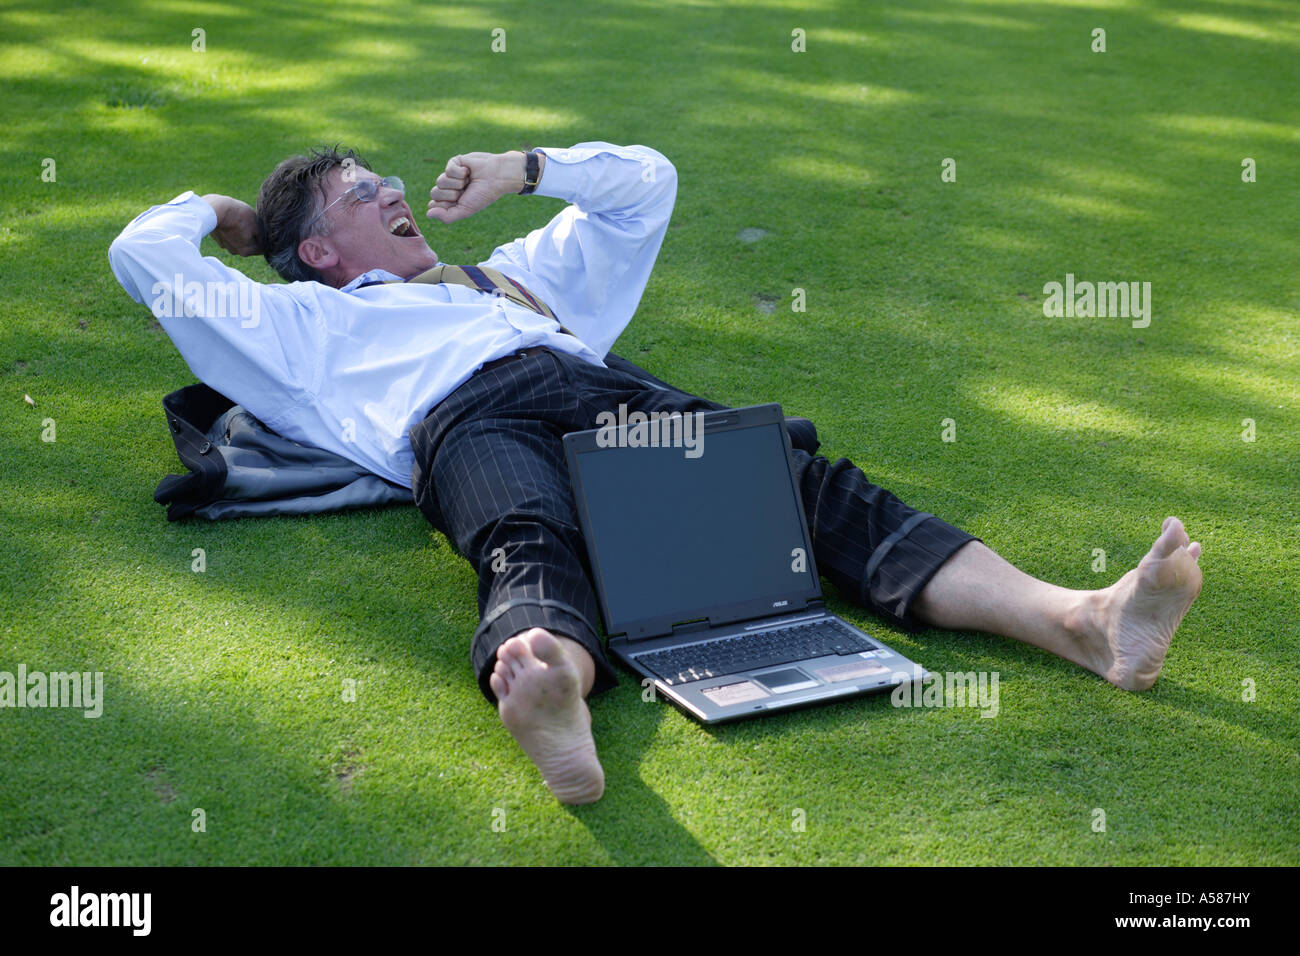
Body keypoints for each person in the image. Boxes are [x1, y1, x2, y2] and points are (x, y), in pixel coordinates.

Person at [109, 142, 1204, 805]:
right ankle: (554, 700)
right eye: (361, 191)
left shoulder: (515, 276)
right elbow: (141, 256)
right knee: (523, 532)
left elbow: (646, 186)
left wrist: (525, 171)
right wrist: (223, 213)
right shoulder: (296, 327)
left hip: (596, 393)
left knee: (800, 483)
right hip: (462, 423)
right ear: (317, 248)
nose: (393, 186)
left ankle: (1082, 620)